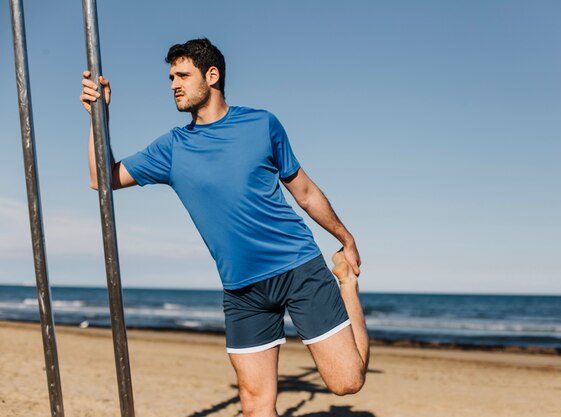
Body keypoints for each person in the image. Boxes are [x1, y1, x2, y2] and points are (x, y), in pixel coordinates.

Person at [80, 38, 369, 416]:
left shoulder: (262, 124)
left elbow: (305, 191)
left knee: (346, 383)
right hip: (241, 290)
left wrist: (345, 238)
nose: (173, 85)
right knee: (254, 405)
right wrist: (97, 118)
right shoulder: (172, 147)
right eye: (170, 77)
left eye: (182, 75)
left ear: (211, 75)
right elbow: (102, 179)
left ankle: (346, 285)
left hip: (298, 267)